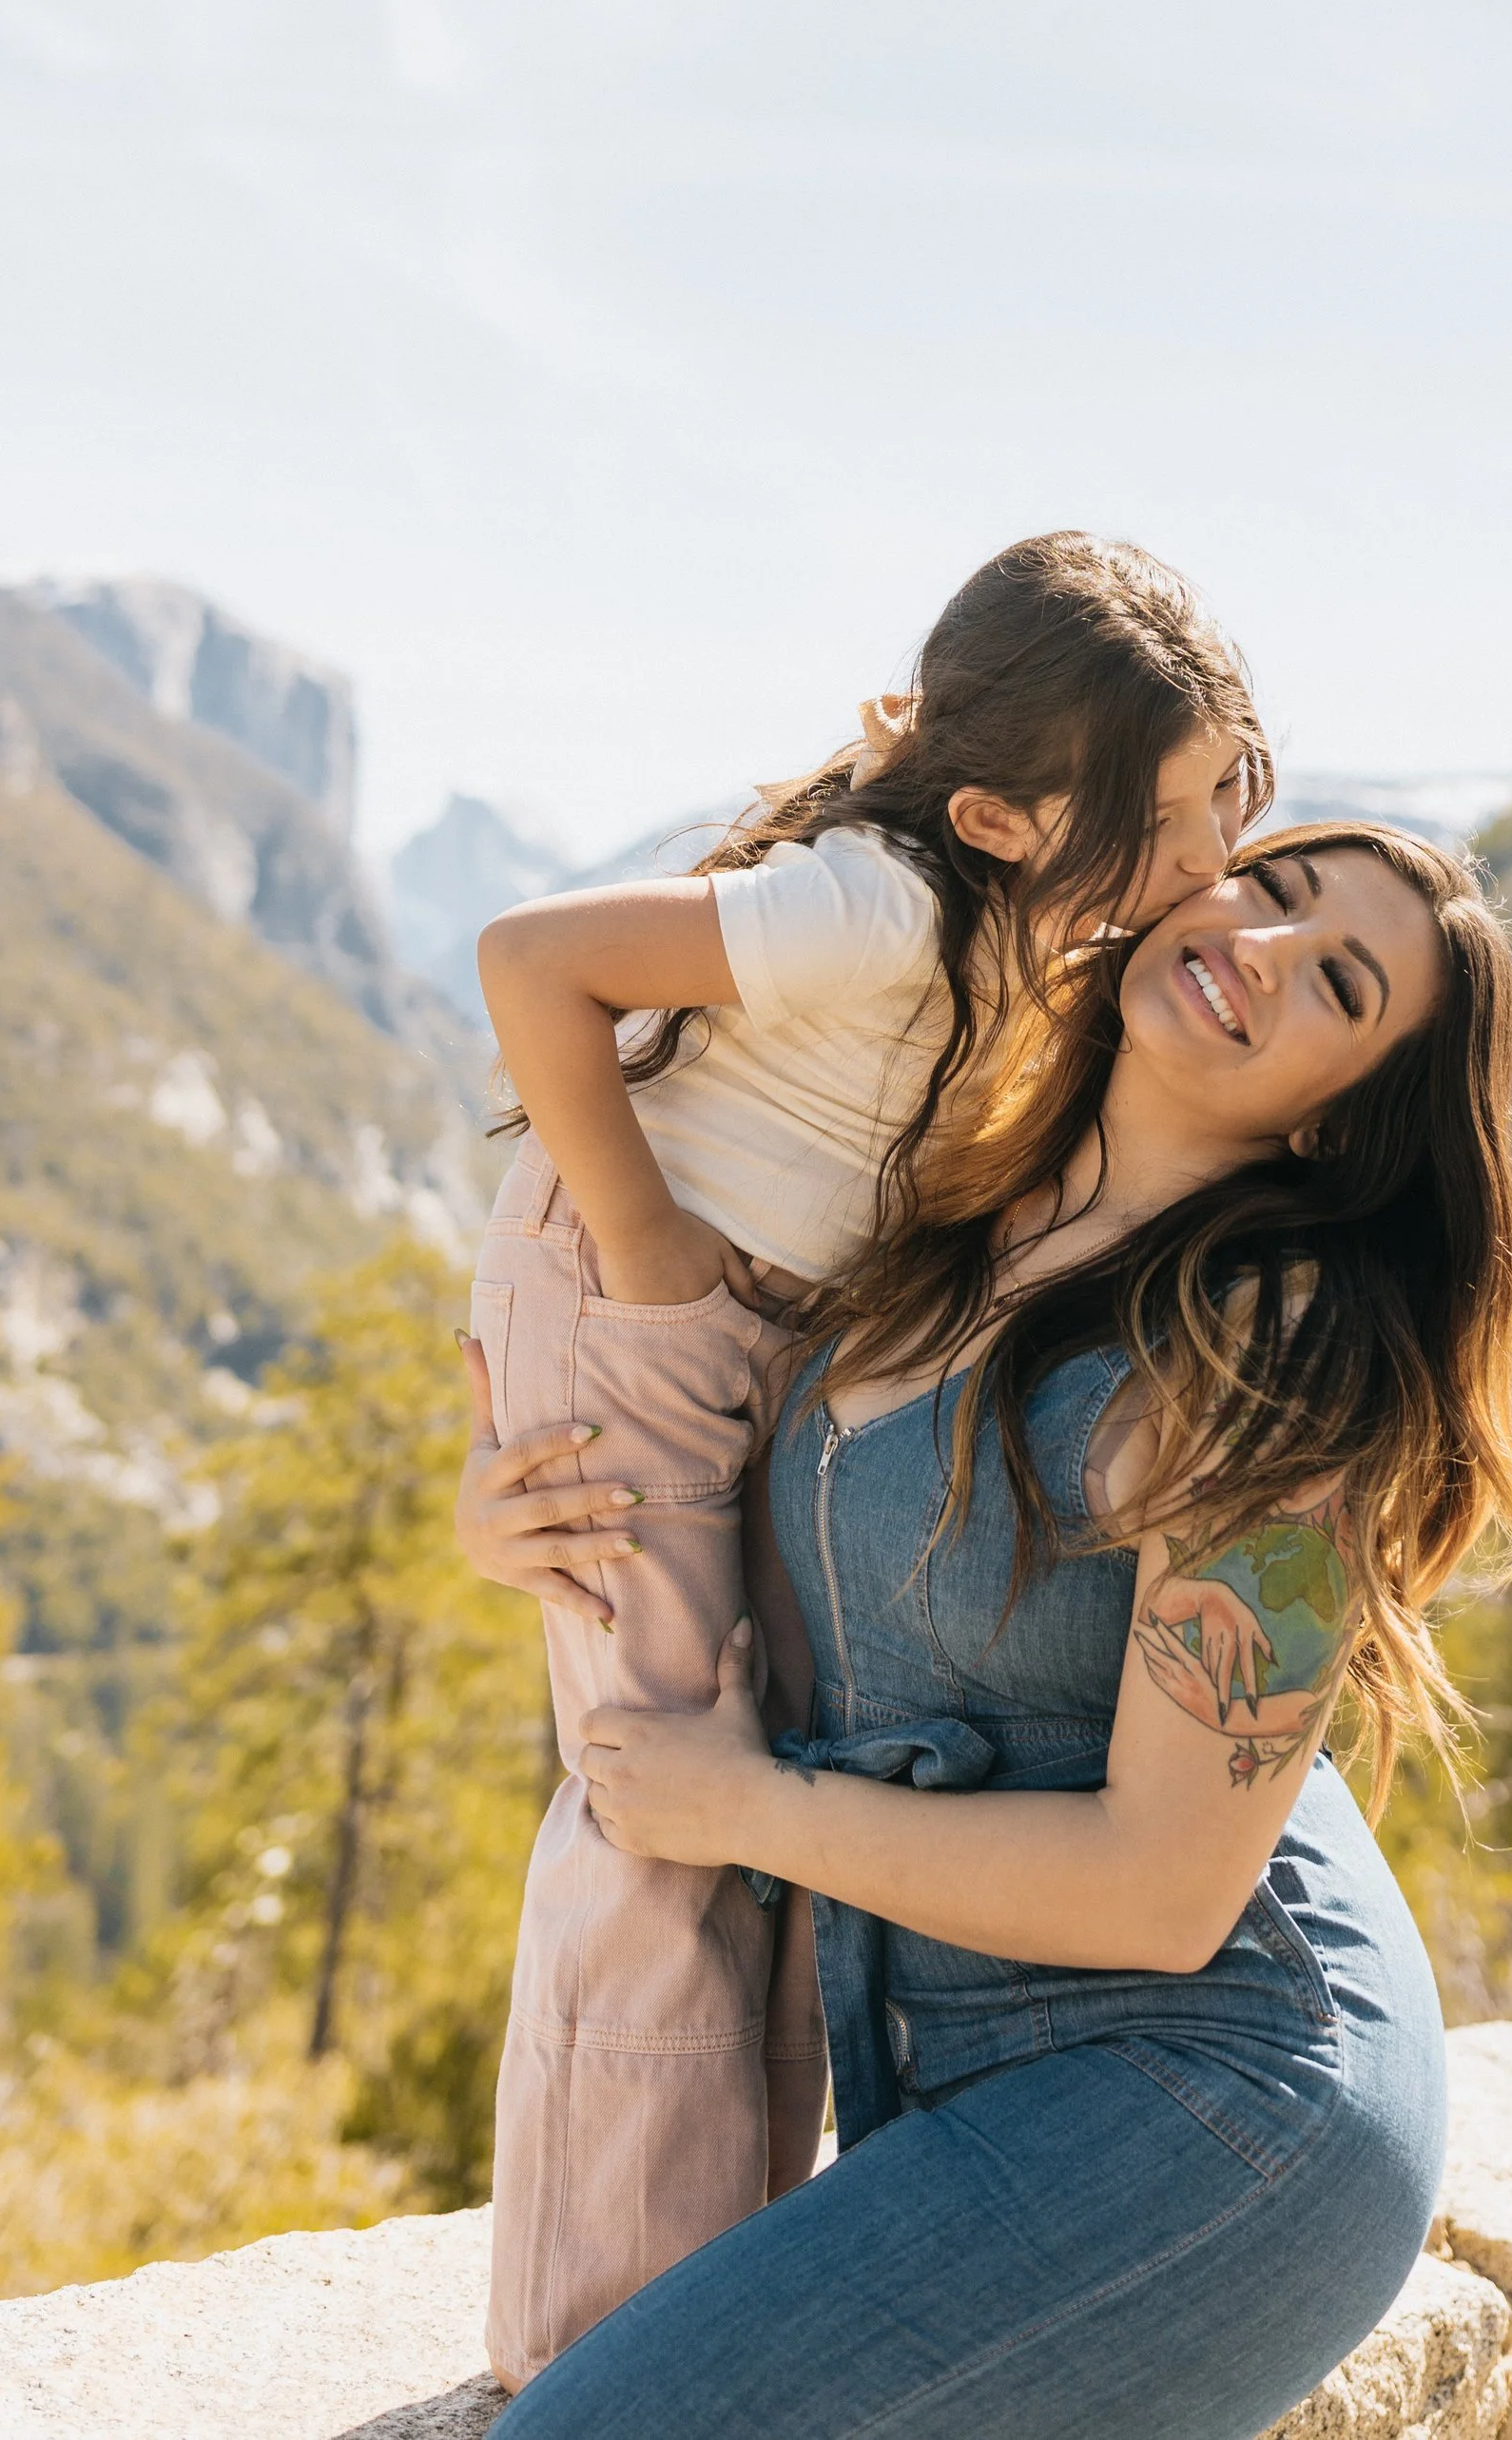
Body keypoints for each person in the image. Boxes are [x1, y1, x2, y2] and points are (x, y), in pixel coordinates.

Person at [469, 814, 1512, 2440]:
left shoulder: (1272, 1363)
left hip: (1225, 2088)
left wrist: (750, 1809)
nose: (1254, 940)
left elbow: (1169, 1889)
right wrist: (515, 1501)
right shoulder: (954, 1200)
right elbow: (713, 1418)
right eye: (1274, 885)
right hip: (962, 2067)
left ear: (1339, 1125)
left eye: (1334, 979)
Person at [460, 533, 1272, 2386]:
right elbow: (534, 964)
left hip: (727, 1324)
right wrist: (643, 1246)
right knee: (658, 1803)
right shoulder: (886, 906)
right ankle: (599, 2351)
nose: (1206, 862)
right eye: (1160, 824)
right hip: (656, 1297)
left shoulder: (1032, 915)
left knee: (752, 1788)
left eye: (1225, 789)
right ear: (995, 815)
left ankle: (725, 2272)